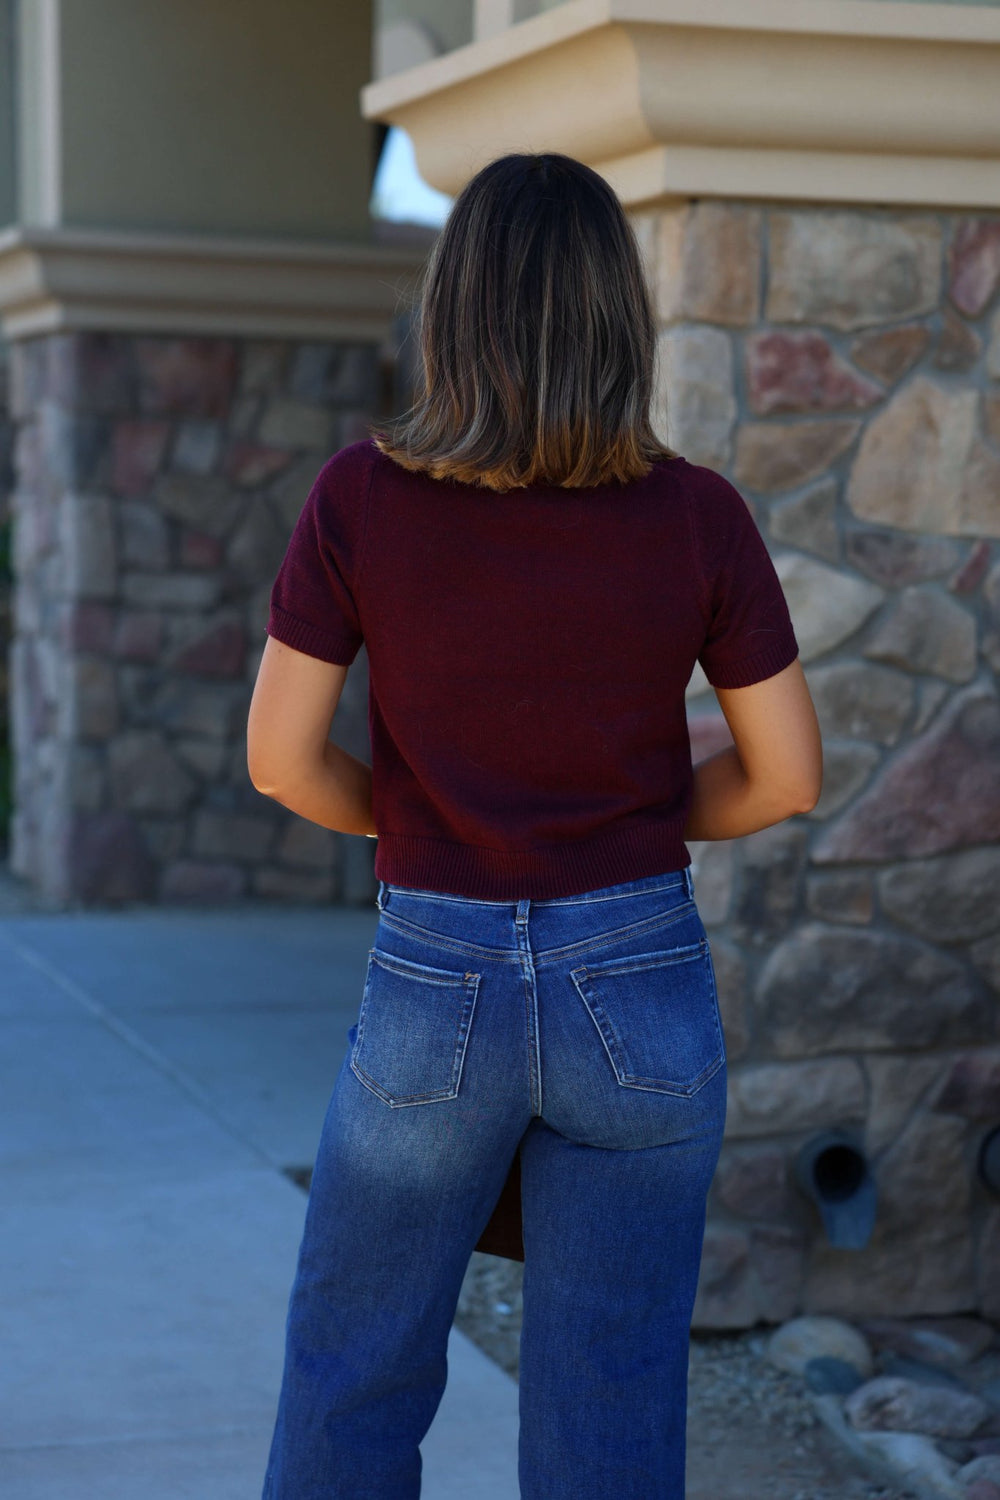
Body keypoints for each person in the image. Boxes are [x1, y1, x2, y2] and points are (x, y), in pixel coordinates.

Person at [246, 151, 822, 1500]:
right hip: (643, 983)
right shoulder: (699, 517)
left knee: (355, 1376)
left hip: (433, 982)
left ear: (456, 306)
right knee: (613, 1402)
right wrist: (627, 815)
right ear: (619, 316)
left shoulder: (359, 500)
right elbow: (787, 777)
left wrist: (423, 820)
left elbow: (280, 764)